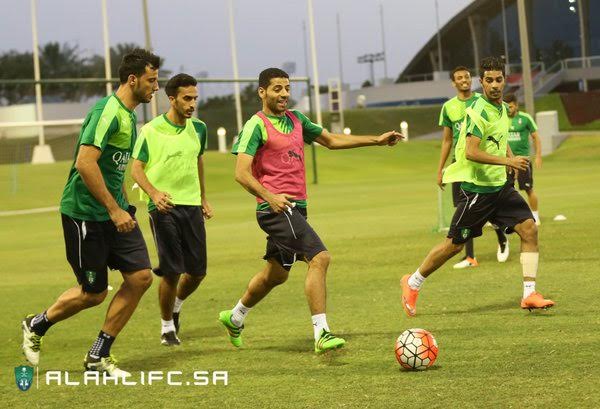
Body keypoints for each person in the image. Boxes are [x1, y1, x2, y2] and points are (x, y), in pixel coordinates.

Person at [219, 68, 402, 353]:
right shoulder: (256, 125)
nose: (284, 94)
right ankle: (322, 333)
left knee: (277, 274)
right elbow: (241, 173)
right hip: (276, 209)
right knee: (320, 257)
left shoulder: (296, 119)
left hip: (297, 209)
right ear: (262, 92)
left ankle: (235, 316)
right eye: (277, 89)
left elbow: (330, 140)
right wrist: (270, 196)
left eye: (287, 88)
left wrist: (376, 140)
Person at [22, 49, 160, 376]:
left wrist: (123, 204)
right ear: (132, 79)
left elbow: (114, 167)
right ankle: (36, 324)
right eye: (151, 80)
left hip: (115, 214)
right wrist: (114, 210)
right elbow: (85, 164)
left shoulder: (128, 115)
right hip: (85, 214)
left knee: (140, 278)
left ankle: (98, 355)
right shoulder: (107, 112)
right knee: (93, 293)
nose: (156, 87)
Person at [401, 56, 555, 317]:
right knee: (454, 246)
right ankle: (412, 282)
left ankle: (529, 294)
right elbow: (472, 151)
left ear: (504, 80)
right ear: (481, 82)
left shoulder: (503, 108)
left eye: (499, 79)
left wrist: (506, 157)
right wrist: (507, 159)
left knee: (529, 229)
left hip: (501, 188)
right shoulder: (477, 111)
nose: (495, 85)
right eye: (489, 80)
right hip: (477, 191)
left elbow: (499, 136)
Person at [131, 73, 211, 347]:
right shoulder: (151, 130)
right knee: (172, 270)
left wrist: (203, 197)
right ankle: (167, 326)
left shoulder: (199, 128)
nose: (192, 104)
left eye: (195, 99)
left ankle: (175, 306)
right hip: (162, 207)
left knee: (197, 272)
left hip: (191, 204)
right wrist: (154, 193)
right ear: (172, 99)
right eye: (187, 99)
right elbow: (136, 168)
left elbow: (198, 161)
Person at [504, 93, 542, 226]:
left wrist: (538, 156)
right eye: (507, 107)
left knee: (528, 188)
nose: (509, 109)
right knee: (503, 191)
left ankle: (535, 216)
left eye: (511, 106)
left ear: (516, 105)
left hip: (523, 161)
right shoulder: (501, 118)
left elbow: (536, 137)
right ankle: (503, 217)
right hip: (506, 162)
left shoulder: (525, 118)